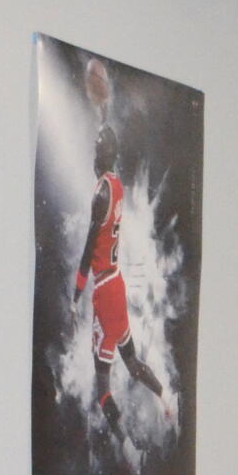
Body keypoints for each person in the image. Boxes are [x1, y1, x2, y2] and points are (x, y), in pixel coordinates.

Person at [70, 119, 166, 412]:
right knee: (133, 363)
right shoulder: (117, 186)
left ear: (102, 154)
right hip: (116, 282)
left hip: (103, 289)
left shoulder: (100, 194)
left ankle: (124, 446)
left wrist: (76, 295)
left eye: (97, 148)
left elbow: (88, 248)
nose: (93, 153)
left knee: (103, 391)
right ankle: (166, 400)